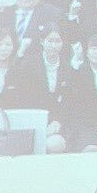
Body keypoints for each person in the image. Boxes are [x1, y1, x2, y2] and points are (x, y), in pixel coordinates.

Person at [12, 24, 71, 152]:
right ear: (42, 42)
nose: (53, 45)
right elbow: (22, 95)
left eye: (57, 41)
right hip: (32, 119)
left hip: (56, 122)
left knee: (55, 144)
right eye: (50, 41)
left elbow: (68, 100)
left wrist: (57, 121)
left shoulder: (68, 68)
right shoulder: (29, 64)